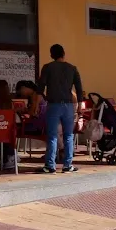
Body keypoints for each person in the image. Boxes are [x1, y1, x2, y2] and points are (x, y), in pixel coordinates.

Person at [36, 44, 83, 173]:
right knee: (68, 135)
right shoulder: (72, 69)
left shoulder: (47, 68)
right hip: (68, 106)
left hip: (53, 105)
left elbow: (40, 89)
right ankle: (68, 165)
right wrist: (79, 106)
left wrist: (38, 105)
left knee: (52, 136)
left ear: (52, 55)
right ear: (63, 53)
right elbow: (79, 90)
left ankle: (50, 165)